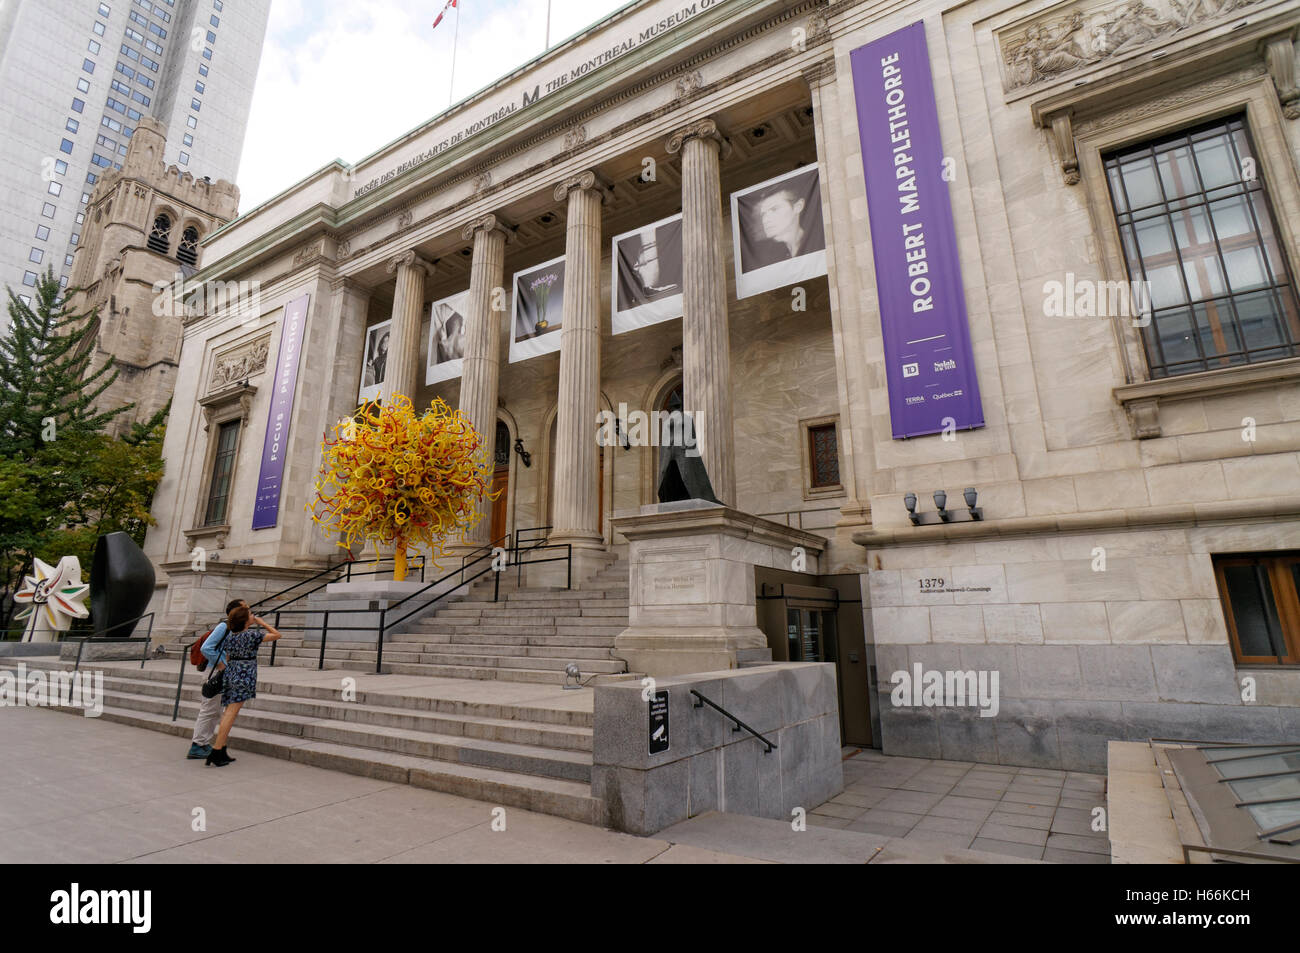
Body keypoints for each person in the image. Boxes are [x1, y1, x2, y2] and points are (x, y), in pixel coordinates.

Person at [205, 605, 282, 767]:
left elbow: (227, 655)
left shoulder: (231, 636)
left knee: (228, 712)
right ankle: (217, 750)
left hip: (231, 671)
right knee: (231, 713)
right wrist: (262, 622)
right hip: (244, 674)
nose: (253, 616)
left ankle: (222, 748)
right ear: (246, 620)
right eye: (251, 615)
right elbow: (277, 635)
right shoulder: (251, 635)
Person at [186, 598, 245, 759]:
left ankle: (203, 742)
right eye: (244, 608)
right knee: (209, 709)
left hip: (220, 672)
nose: (247, 610)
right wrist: (221, 664)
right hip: (214, 672)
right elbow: (207, 648)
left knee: (215, 710)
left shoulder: (233, 628)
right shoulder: (223, 626)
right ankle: (197, 745)